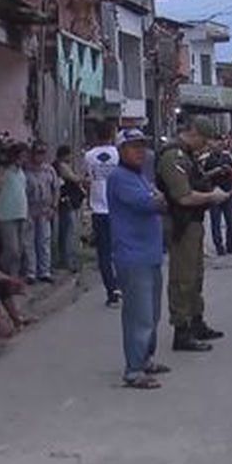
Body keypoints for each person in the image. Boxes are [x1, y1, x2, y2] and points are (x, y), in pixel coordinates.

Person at [157, 116, 232, 351]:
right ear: (195, 133)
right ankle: (182, 329)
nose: (207, 146)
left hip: (193, 222)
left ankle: (196, 320)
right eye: (205, 140)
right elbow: (183, 196)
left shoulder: (188, 155)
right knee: (183, 277)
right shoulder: (174, 156)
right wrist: (213, 196)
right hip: (181, 223)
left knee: (196, 275)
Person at [107, 128, 171, 388]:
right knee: (139, 315)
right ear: (121, 151)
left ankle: (145, 359)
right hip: (133, 257)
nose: (140, 151)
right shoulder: (120, 178)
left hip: (150, 254)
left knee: (152, 313)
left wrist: (158, 198)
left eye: (142, 146)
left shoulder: (140, 177)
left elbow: (158, 199)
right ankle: (133, 370)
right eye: (133, 147)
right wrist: (158, 198)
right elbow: (153, 204)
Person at [85, 123, 121, 306]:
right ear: (112, 134)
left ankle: (112, 291)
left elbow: (89, 179)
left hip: (99, 210)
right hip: (118, 210)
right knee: (121, 250)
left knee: (104, 254)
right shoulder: (119, 154)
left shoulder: (89, 156)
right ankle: (123, 285)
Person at [25, 142, 60, 283]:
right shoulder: (26, 170)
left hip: (46, 209)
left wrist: (54, 207)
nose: (40, 156)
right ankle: (31, 272)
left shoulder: (49, 170)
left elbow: (56, 189)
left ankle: (44, 271)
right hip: (30, 208)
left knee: (44, 240)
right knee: (29, 242)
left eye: (43, 152)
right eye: (38, 152)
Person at [0, 143, 30, 279]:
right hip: (6, 214)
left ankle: (14, 278)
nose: (24, 159)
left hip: (21, 212)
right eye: (22, 156)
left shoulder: (21, 172)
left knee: (20, 250)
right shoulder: (4, 171)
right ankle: (2, 273)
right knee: (12, 249)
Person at [202, 138, 232, 256]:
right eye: (216, 144)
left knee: (231, 221)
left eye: (220, 144)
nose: (219, 146)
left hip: (228, 191)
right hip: (214, 192)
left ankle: (230, 244)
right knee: (216, 221)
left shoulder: (229, 156)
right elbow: (202, 176)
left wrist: (230, 170)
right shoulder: (206, 159)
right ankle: (219, 245)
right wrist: (215, 171)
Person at [54, 145, 84, 273]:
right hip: (66, 202)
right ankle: (67, 260)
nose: (71, 157)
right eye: (69, 155)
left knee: (67, 230)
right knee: (68, 231)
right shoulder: (61, 166)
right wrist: (83, 178)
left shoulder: (60, 166)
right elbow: (74, 178)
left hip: (66, 202)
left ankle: (66, 259)